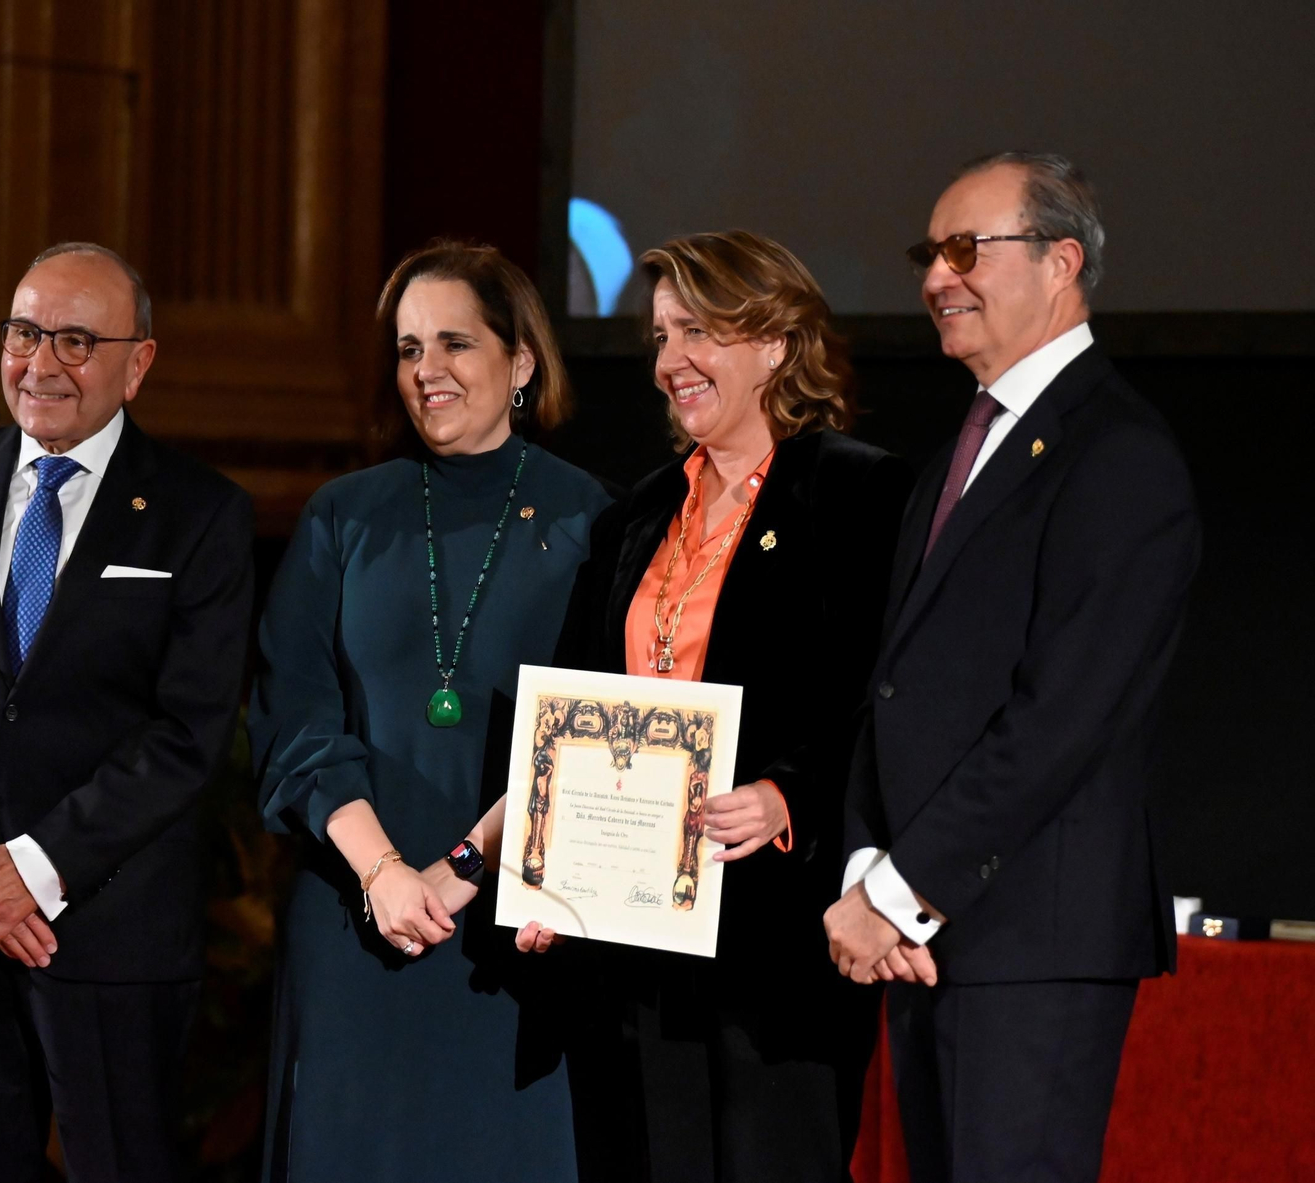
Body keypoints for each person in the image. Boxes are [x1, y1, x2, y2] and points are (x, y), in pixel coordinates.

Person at [824, 153, 1201, 1183]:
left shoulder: (1118, 454)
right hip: (930, 937)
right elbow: (893, 682)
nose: (935, 277)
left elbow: (1060, 719)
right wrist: (865, 867)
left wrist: (897, 890)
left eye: (963, 250)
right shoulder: (970, 439)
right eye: (926, 254)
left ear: (1060, 262)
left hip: (1032, 942)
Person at [0, 242, 256, 1182]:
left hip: (110, 922)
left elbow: (189, 728)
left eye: (77, 339)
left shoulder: (200, 513)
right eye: (26, 333)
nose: (41, 364)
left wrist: (32, 869)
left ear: (138, 362)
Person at [531, 230, 914, 1183]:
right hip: (627, 947)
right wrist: (544, 868)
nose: (668, 363)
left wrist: (791, 797)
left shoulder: (854, 491)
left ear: (775, 342)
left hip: (771, 951)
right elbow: (580, 704)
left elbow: (886, 701)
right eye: (659, 336)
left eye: (696, 330)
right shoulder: (635, 515)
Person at [249, 241, 613, 1183]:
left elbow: (595, 732)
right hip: (355, 919)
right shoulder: (342, 515)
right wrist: (383, 873)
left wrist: (456, 872)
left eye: (454, 342)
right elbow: (293, 713)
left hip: (516, 937)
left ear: (521, 360)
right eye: (409, 348)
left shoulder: (593, 521)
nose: (427, 370)